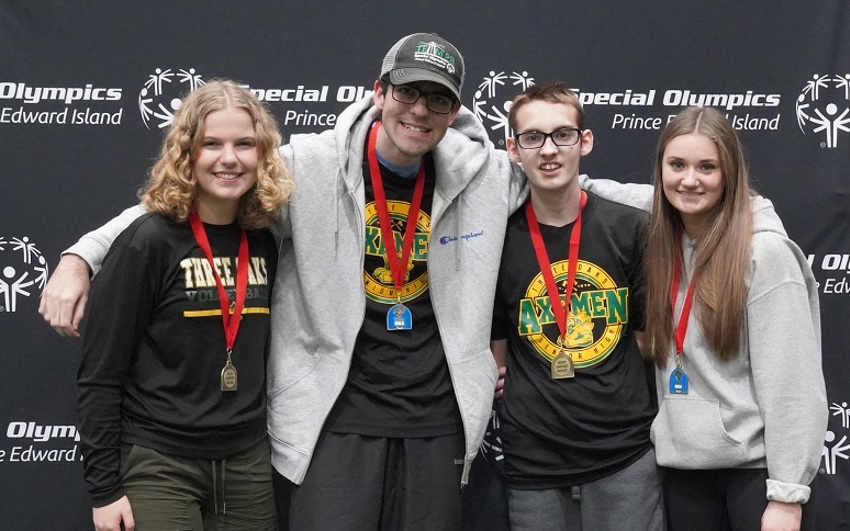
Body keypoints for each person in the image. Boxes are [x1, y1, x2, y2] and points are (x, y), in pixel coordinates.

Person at [39, 33, 526, 530]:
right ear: (378, 92)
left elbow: (567, 185)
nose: (420, 111)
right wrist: (82, 255)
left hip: (437, 420)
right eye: (407, 93)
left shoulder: (486, 176)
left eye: (437, 98)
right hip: (335, 418)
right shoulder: (309, 165)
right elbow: (178, 204)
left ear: (454, 110)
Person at [76, 80, 293, 531]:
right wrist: (104, 490)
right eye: (211, 143)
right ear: (185, 153)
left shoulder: (265, 241)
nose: (229, 158)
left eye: (244, 144)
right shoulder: (147, 243)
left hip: (247, 464)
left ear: (263, 154)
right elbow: (100, 375)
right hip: (160, 463)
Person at [638, 106, 827, 531]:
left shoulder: (765, 254)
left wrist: (786, 494)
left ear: (730, 174)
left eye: (707, 167)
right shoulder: (664, 243)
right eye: (677, 165)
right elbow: (602, 193)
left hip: (755, 480)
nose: (689, 179)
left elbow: (792, 385)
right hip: (684, 475)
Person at [490, 82, 663, 531]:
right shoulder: (496, 241)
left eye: (562, 134)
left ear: (584, 141)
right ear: (513, 148)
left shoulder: (631, 229)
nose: (549, 150)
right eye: (532, 137)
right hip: (534, 462)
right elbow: (497, 350)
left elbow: (646, 341)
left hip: (624, 453)